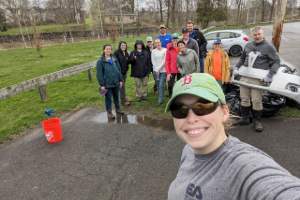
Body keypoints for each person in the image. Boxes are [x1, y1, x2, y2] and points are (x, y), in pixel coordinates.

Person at [165, 73, 300, 200]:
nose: (191, 118)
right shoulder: (188, 150)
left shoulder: (245, 166)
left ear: (224, 113)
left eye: (203, 106)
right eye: (179, 110)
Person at [232, 26, 281, 132]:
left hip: (258, 77)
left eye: (259, 34)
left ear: (262, 34)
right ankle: (245, 118)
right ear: (252, 35)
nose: (257, 36)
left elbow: (276, 62)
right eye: (255, 35)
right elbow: (242, 58)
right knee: (244, 97)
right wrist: (236, 67)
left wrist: (271, 74)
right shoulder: (248, 45)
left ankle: (257, 120)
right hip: (245, 75)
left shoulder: (268, 47)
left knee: (256, 100)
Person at [96, 44, 124, 119]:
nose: (108, 50)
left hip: (116, 82)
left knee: (116, 96)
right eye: (107, 49)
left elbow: (119, 69)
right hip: (107, 84)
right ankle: (109, 112)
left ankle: (118, 109)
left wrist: (120, 80)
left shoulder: (114, 59)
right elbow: (99, 74)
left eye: (109, 49)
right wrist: (102, 85)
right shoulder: (100, 61)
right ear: (104, 50)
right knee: (108, 98)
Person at [113, 41, 131, 106]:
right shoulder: (116, 53)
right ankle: (123, 101)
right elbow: (114, 63)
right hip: (119, 73)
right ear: (119, 46)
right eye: (122, 45)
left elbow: (128, 61)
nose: (123, 46)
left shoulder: (126, 53)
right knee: (121, 86)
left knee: (122, 87)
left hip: (124, 72)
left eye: (124, 45)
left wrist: (133, 58)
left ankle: (124, 99)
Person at [151, 38, 167, 107]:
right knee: (157, 84)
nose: (157, 44)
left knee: (161, 85)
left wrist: (158, 69)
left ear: (161, 43)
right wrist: (156, 70)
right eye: (156, 43)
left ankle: (160, 100)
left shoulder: (165, 50)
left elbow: (165, 61)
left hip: (163, 71)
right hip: (155, 71)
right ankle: (160, 96)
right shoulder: (153, 51)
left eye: (158, 42)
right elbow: (153, 60)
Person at [165, 33, 181, 99]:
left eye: (176, 39)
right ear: (172, 39)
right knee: (170, 85)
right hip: (172, 70)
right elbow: (167, 61)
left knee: (180, 85)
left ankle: (179, 97)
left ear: (178, 39)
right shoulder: (169, 49)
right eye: (173, 39)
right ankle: (171, 96)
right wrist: (168, 73)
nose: (175, 40)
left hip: (180, 70)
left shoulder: (181, 47)